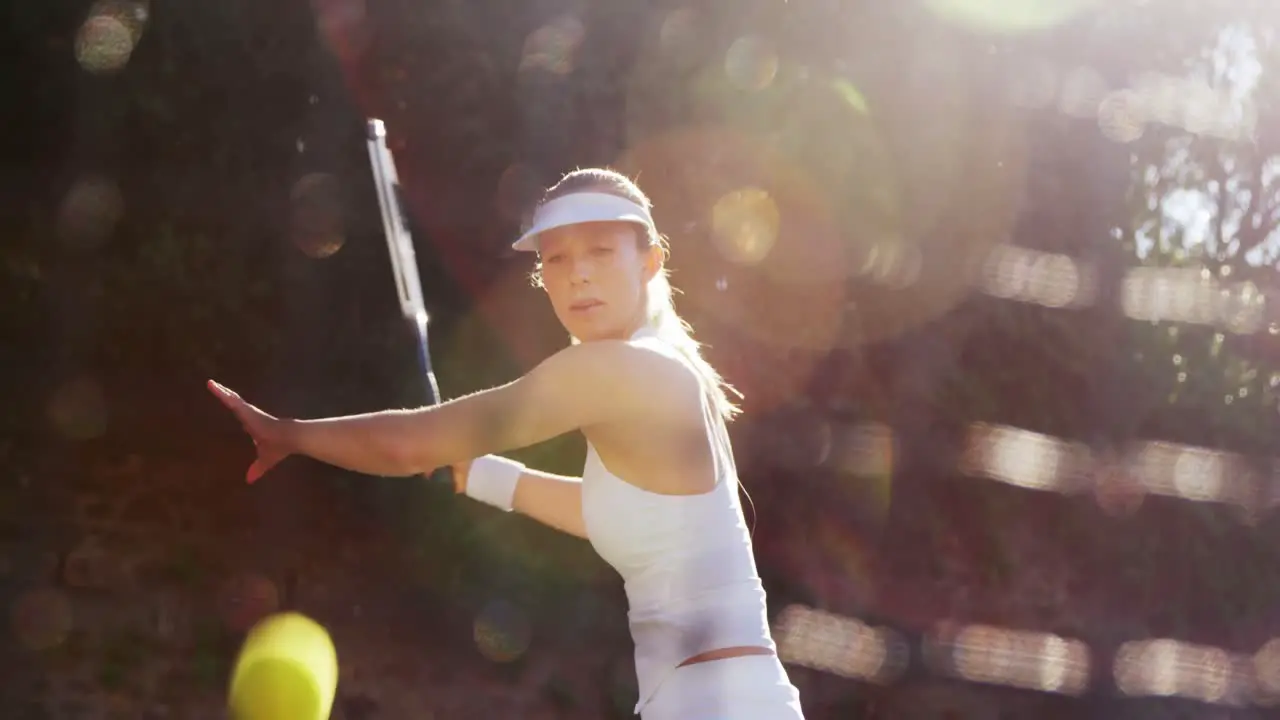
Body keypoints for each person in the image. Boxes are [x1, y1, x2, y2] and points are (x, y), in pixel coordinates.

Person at [208, 167, 806, 719]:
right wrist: (480, 474)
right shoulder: (657, 374)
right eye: (557, 259)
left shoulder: (623, 370)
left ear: (650, 262)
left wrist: (290, 435)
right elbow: (614, 514)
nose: (578, 273)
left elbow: (409, 445)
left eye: (600, 250)